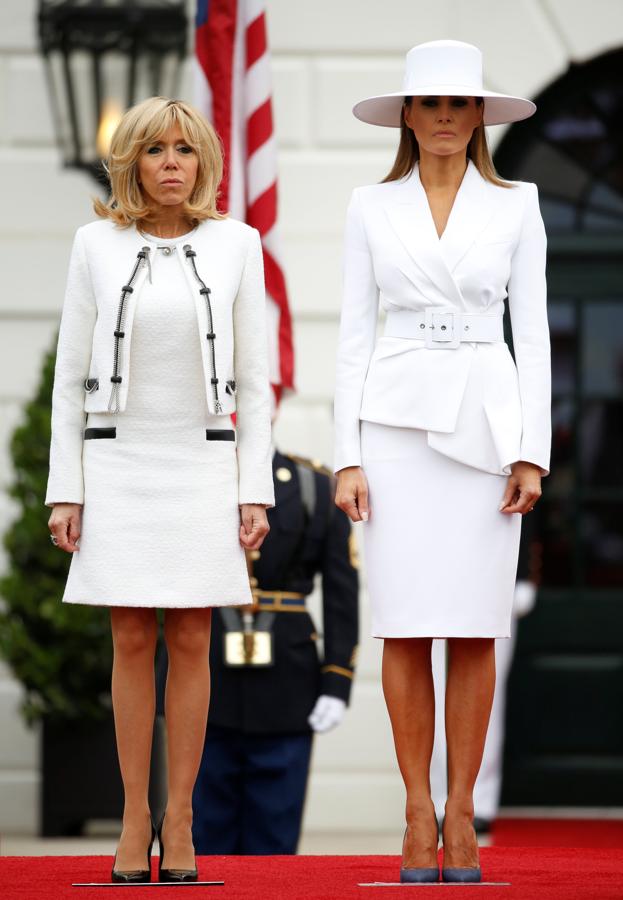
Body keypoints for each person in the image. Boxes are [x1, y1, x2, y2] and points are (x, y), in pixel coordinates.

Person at [333, 40, 550, 884]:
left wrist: (530, 451)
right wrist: (346, 456)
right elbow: (353, 336)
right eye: (431, 105)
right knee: (403, 620)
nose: (447, 119)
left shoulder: (519, 202)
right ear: (407, 116)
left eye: (461, 105)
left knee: (472, 622)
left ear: (480, 117)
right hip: (391, 429)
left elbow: (529, 335)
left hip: (485, 432)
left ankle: (462, 809)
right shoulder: (367, 205)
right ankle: (415, 810)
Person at [45, 97, 274, 884]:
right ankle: (132, 815)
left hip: (203, 464)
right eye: (155, 151)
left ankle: (180, 818)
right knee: (131, 638)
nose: (171, 163)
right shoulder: (94, 246)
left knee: (191, 638)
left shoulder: (239, 244)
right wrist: (63, 490)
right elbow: (70, 378)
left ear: (202, 161)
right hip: (119, 463)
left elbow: (257, 381)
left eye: (184, 150)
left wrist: (255, 490)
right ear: (133, 163)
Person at [161, 442, 359, 855]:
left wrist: (337, 680)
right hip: (205, 669)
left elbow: (342, 593)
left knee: (275, 844)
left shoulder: (314, 484)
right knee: (203, 838)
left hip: (286, 684)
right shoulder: (190, 475)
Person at [430, 514, 540, 832]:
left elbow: (522, 503)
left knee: (485, 697)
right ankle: (437, 799)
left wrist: (522, 574)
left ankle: (480, 799)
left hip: (490, 567)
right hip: (431, 569)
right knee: (428, 688)